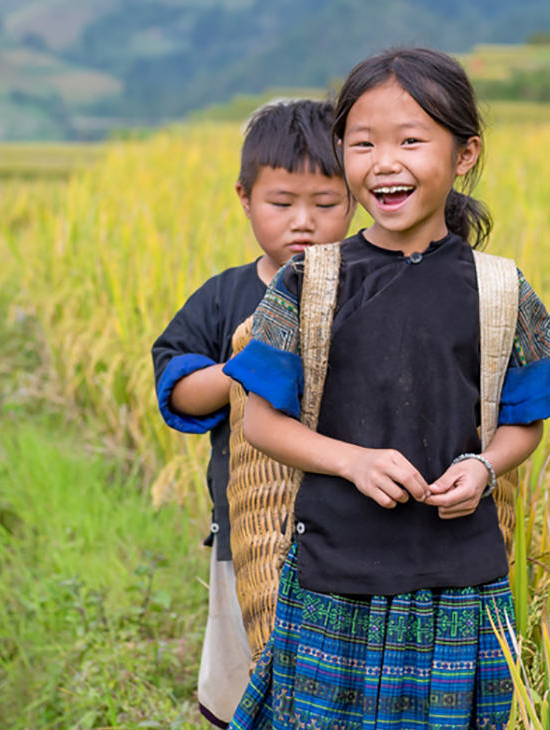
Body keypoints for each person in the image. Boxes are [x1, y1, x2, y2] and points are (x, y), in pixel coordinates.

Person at [222, 47, 550, 729]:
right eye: (363, 144)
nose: (384, 162)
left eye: (411, 140)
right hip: (334, 575)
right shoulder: (310, 283)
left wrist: (483, 466)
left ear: (464, 154)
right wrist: (351, 460)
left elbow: (526, 421)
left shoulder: (504, 290)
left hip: (460, 584)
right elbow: (260, 423)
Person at [150, 99, 357, 727]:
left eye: (326, 205)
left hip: (349, 534)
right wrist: (245, 362)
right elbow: (178, 387)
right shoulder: (225, 296)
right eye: (281, 203)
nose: (304, 223)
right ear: (244, 197)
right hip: (243, 534)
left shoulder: (368, 287)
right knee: (245, 682)